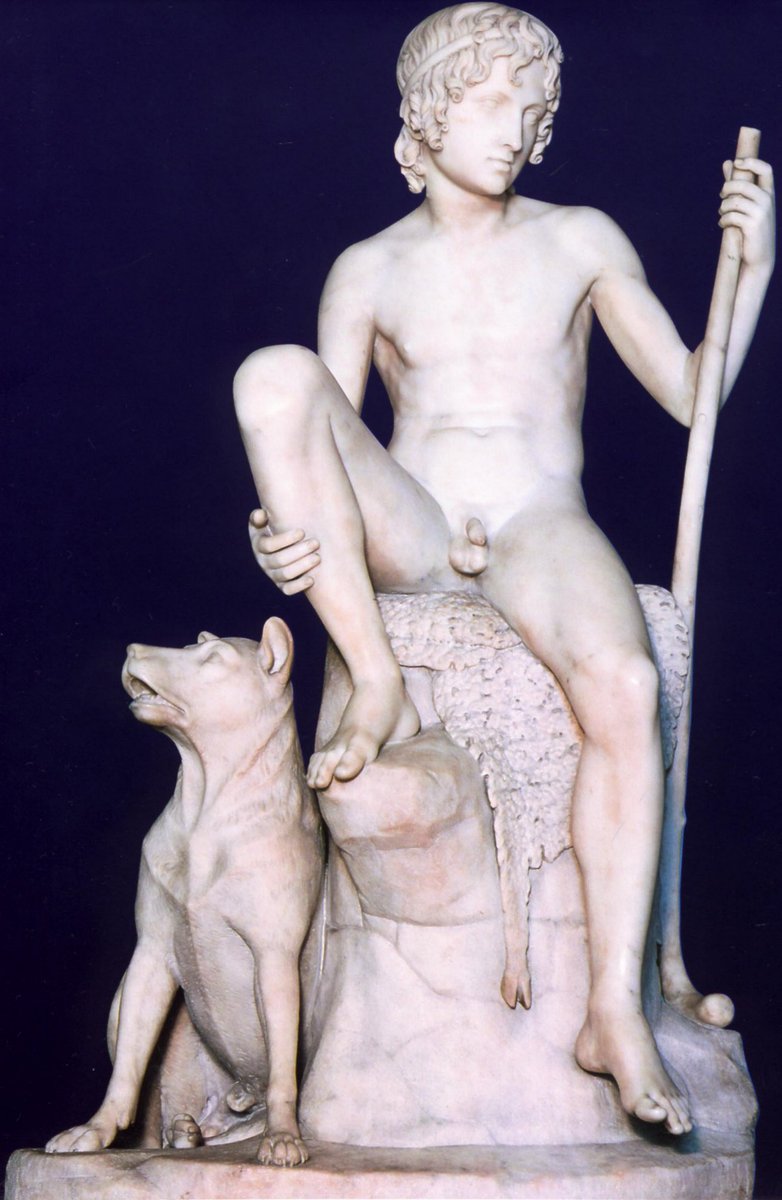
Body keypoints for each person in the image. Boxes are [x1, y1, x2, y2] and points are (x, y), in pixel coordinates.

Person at [233, 3, 774, 1136]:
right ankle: (378, 678)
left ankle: (612, 1011)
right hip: (417, 522)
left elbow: (692, 400)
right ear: (428, 115)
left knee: (624, 682)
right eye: (490, 103)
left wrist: (755, 266)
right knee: (273, 378)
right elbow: (324, 446)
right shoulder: (368, 268)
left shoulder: (579, 240)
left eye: (532, 110)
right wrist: (281, 531)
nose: (516, 129)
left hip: (537, 518)